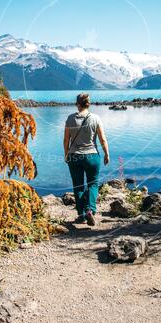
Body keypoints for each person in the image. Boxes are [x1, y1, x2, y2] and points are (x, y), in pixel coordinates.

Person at [63, 93, 110, 225]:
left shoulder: (70, 119)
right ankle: (90, 209)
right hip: (92, 156)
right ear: (88, 104)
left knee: (78, 186)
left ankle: (82, 215)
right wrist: (107, 154)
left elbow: (66, 140)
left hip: (74, 156)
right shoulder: (95, 118)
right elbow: (102, 139)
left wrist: (66, 154)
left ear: (77, 103)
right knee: (93, 184)